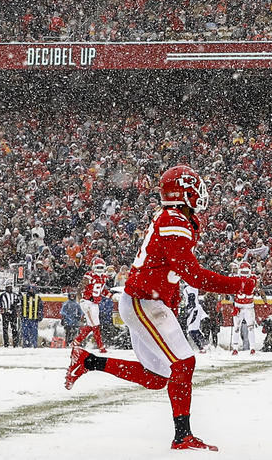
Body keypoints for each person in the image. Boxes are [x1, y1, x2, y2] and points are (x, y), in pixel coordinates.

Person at [65, 165, 257, 452]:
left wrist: (171, 298)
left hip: (147, 300)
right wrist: (239, 285)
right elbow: (192, 274)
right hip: (144, 301)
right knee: (184, 363)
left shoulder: (174, 218)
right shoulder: (174, 221)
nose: (200, 193)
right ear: (184, 192)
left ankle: (87, 360)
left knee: (158, 378)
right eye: (195, 187)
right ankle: (183, 436)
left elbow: (171, 270)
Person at [74, 256, 111, 352]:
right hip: (87, 302)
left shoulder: (104, 277)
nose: (99, 270)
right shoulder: (89, 276)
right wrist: (81, 300)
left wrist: (111, 296)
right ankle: (101, 347)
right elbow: (79, 288)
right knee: (96, 324)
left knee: (91, 325)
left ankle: (77, 341)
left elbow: (101, 291)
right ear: (93, 267)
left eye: (101, 268)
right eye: (98, 267)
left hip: (95, 303)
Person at [229, 262, 267, 355]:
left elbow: (259, 290)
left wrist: (264, 300)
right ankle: (235, 348)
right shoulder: (236, 279)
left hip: (248, 306)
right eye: (243, 272)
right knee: (236, 328)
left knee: (250, 327)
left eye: (246, 272)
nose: (245, 274)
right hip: (239, 305)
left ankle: (252, 348)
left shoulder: (253, 279)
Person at [184, 286, 208, 353]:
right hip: (195, 308)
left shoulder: (188, 288)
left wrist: (189, 308)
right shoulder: (193, 287)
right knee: (194, 329)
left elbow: (192, 297)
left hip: (194, 309)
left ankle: (202, 347)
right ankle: (204, 344)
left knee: (191, 330)